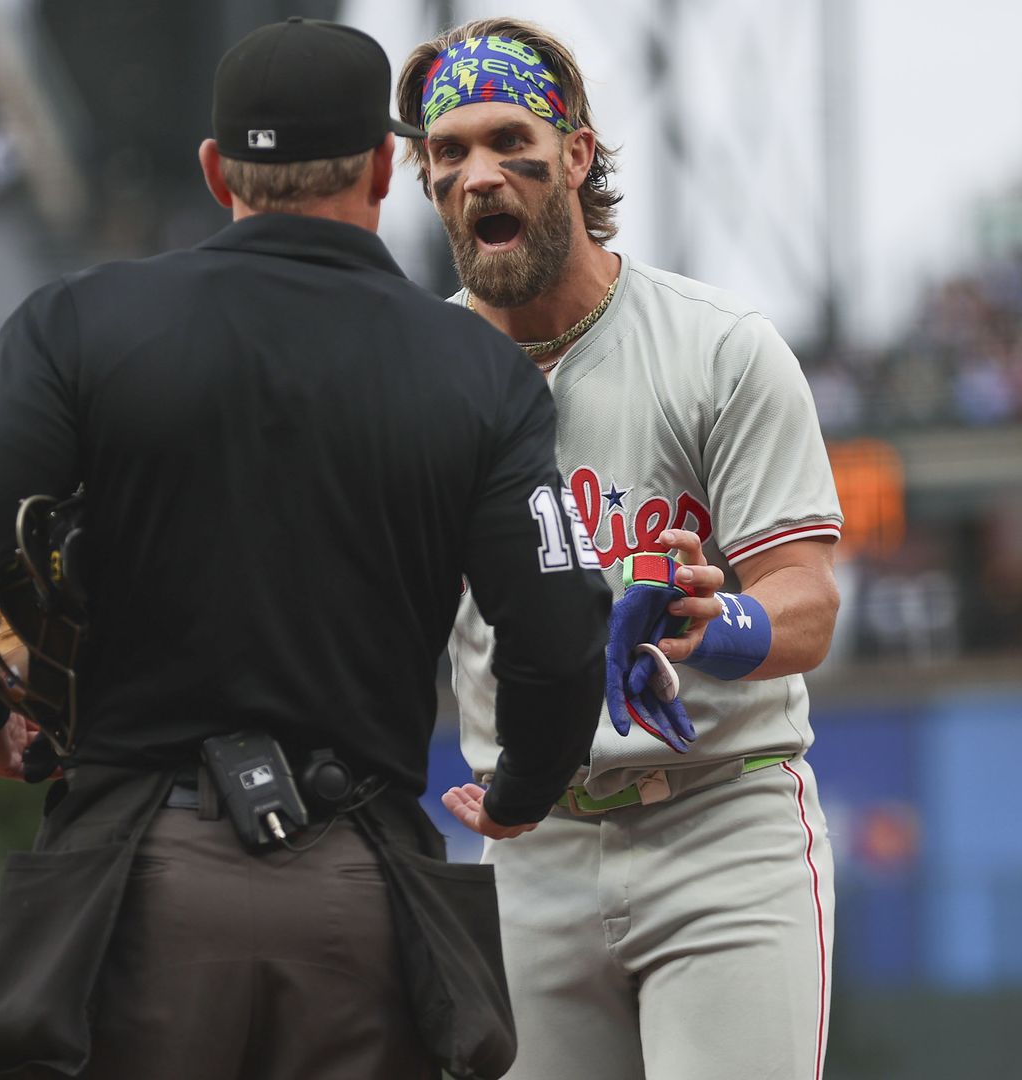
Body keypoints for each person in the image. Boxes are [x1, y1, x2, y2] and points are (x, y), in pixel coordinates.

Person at [0, 17, 609, 1080]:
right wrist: (524, 787)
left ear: (216, 171)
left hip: (133, 887)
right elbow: (556, 633)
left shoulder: (83, 324)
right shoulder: (479, 373)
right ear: (383, 169)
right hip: (360, 899)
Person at [397, 18, 846, 1080]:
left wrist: (717, 621)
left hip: (720, 825)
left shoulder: (716, 346)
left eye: (512, 142)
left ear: (579, 155)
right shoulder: (417, 379)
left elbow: (809, 603)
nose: (478, 174)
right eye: (448, 152)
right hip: (529, 845)